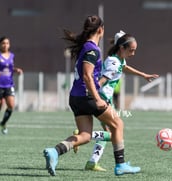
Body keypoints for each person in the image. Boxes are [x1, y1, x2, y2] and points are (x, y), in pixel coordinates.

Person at [43, 15, 141, 176]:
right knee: (118, 124)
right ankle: (121, 165)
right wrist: (97, 98)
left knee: (85, 136)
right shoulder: (92, 49)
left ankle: (55, 151)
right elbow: (88, 76)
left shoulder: (86, 47)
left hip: (76, 97)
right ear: (100, 30)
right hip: (87, 96)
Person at [78, 30, 159, 172]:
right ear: (122, 47)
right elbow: (101, 81)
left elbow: (125, 67)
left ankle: (92, 161)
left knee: (111, 131)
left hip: (106, 98)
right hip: (103, 98)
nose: (133, 53)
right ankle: (84, 136)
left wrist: (143, 75)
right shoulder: (113, 62)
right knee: (115, 130)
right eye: (132, 50)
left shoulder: (118, 59)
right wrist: (95, 97)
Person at [0, 36, 23, 136]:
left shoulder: (12, 56)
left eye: (7, 43)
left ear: (9, 45)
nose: (5, 45)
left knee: (11, 105)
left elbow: (9, 68)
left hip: (9, 84)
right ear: (0, 44)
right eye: (3, 43)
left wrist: (16, 70)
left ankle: (3, 123)